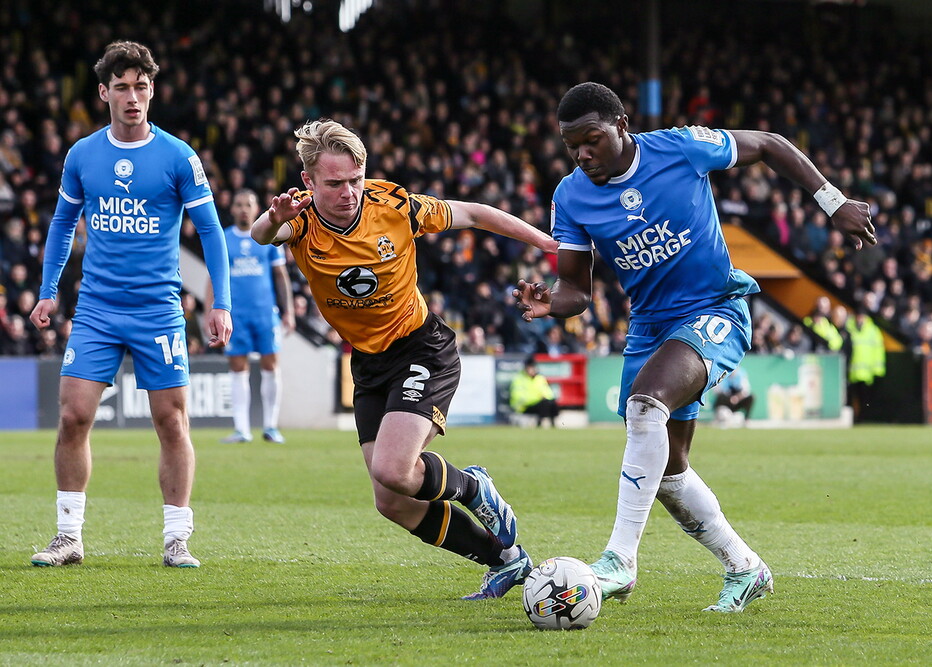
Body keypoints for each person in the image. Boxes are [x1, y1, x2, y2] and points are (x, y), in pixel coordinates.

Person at [514, 82, 876, 612]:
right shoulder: (571, 196)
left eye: (591, 139)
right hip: (650, 328)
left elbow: (771, 144)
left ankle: (620, 560)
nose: (582, 154)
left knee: (645, 407)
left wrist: (833, 200)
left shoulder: (681, 147)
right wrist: (552, 302)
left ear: (620, 124)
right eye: (572, 147)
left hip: (716, 310)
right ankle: (744, 566)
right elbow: (577, 291)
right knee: (668, 471)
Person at [251, 118, 558, 599]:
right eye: (335, 183)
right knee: (390, 500)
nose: (350, 192)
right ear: (309, 181)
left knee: (394, 469)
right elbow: (259, 235)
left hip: (421, 347)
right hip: (369, 363)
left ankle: (473, 488)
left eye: (356, 179)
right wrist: (274, 216)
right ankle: (506, 560)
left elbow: (475, 213)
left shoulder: (393, 205)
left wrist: (543, 241)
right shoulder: (300, 218)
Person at [29, 41, 233, 569]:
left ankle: (175, 539)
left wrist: (220, 302)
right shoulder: (82, 155)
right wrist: (48, 289)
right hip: (96, 308)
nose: (133, 96)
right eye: (122, 86)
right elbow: (61, 225)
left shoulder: (178, 156)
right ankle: (69, 536)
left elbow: (210, 231)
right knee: (73, 416)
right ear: (104, 93)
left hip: (158, 310)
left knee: (171, 420)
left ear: (152, 91)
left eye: (141, 86)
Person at [213, 189, 295, 444]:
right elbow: (213, 278)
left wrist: (288, 311)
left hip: (264, 313)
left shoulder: (268, 237)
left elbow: (280, 276)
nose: (244, 209)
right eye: (239, 204)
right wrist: (212, 309)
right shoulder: (224, 239)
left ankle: (271, 426)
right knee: (238, 368)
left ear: (256, 206)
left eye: (248, 204)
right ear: (233, 209)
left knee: (271, 366)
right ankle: (242, 429)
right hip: (236, 315)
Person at [509, 356, 559, 427]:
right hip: (524, 407)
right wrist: (538, 398)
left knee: (551, 403)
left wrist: (545, 398)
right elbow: (518, 397)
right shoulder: (519, 379)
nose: (532, 370)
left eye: (533, 367)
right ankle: (539, 424)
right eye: (530, 368)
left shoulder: (540, 378)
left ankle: (553, 424)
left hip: (538, 403)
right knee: (543, 404)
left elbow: (549, 393)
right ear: (526, 368)